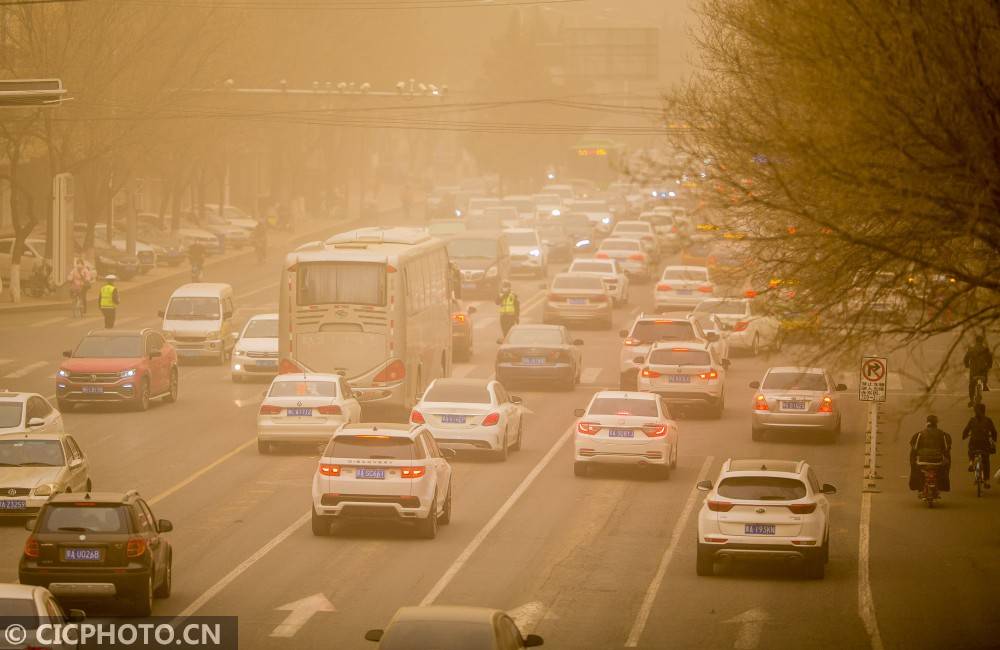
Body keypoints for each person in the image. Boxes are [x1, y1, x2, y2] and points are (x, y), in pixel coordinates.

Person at [908, 414, 952, 493]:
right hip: (937, 460)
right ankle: (943, 484)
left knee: (914, 463)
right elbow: (946, 449)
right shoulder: (943, 434)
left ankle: (918, 485)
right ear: (936, 423)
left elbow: (914, 448)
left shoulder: (920, 434)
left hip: (923, 460)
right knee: (946, 462)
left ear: (927, 422)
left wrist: (913, 463)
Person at [962, 403, 998, 488]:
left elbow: (966, 430)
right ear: (984, 411)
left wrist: (964, 436)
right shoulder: (988, 420)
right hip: (984, 444)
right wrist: (994, 439)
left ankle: (971, 462)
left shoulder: (972, 420)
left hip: (974, 443)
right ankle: (986, 481)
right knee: (986, 460)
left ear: (975, 411)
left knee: (971, 449)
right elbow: (994, 432)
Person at [963, 334, 993, 406]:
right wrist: (989, 366)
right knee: (985, 376)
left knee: (971, 385)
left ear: (975, 341)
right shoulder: (986, 350)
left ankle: (971, 400)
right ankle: (985, 385)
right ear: (982, 341)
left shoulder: (971, 349)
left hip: (973, 371)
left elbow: (966, 359)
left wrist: (967, 365)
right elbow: (990, 360)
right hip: (983, 371)